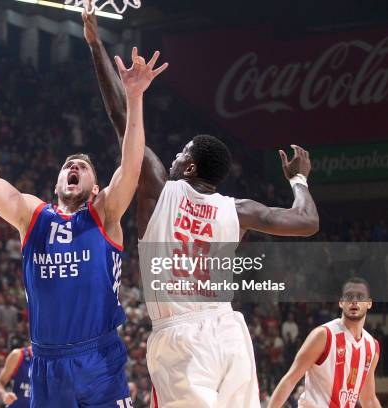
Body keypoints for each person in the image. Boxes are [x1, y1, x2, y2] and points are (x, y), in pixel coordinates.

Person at [83, 11, 319, 408]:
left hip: (181, 338)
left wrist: (95, 44)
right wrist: (299, 181)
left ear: (189, 166)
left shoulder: (159, 188)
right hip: (229, 332)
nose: (174, 157)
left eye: (181, 153)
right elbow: (307, 221)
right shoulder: (239, 210)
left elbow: (121, 117)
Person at [0, 45, 167, 408]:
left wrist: (134, 99)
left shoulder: (103, 214)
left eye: (82, 167)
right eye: (68, 165)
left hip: (99, 360)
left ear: (96, 187)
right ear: (57, 182)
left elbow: (132, 166)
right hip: (47, 362)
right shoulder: (32, 215)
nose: (73, 167)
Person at [268, 278, 381, 408]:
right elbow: (290, 380)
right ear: (341, 302)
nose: (354, 300)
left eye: (360, 297)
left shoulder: (372, 346)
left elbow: (369, 399)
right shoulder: (323, 335)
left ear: (369, 303)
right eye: (349, 296)